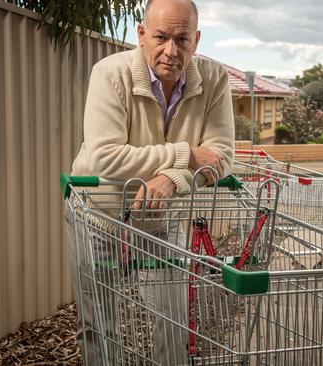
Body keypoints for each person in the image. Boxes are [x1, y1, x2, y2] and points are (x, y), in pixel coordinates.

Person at [67, 0, 235, 364]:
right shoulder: (110, 74)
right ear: (141, 34)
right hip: (100, 210)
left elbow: (222, 155)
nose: (170, 51)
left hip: (164, 213)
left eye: (182, 39)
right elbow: (105, 157)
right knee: (99, 322)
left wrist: (170, 180)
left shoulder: (214, 78)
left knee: (172, 318)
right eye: (160, 37)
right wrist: (186, 154)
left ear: (197, 40)